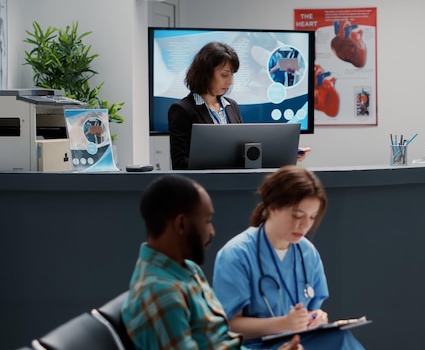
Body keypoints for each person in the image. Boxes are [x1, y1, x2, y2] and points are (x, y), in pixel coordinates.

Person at [121, 174, 302, 350]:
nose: (212, 231)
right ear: (181, 224)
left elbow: (221, 339)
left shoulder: (187, 269)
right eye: (207, 221)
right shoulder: (162, 294)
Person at [212, 166, 365, 350]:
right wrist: (283, 324)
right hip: (255, 346)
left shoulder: (307, 253)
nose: (304, 225)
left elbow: (310, 310)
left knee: (340, 338)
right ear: (273, 207)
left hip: (300, 341)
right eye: (297, 215)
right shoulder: (237, 254)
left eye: (312, 217)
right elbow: (228, 326)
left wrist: (316, 318)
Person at [168, 42, 309, 170]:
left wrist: (286, 153)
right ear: (205, 73)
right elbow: (180, 163)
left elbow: (245, 150)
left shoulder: (231, 106)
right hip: (204, 189)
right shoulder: (182, 110)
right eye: (224, 75)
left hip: (235, 185)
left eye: (232, 76)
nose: (230, 82)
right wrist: (222, 161)